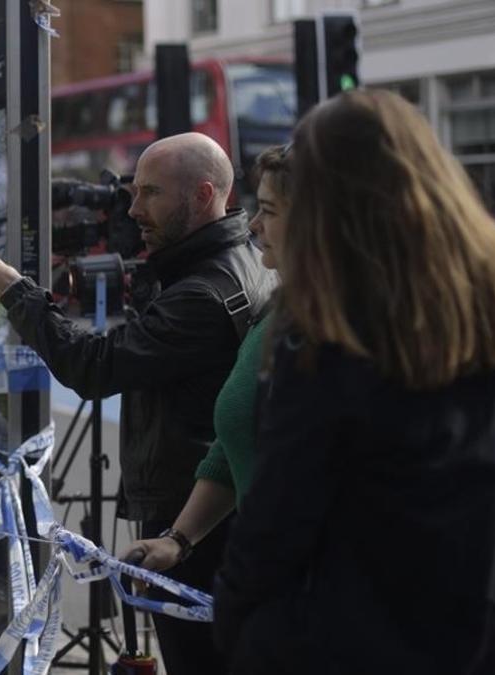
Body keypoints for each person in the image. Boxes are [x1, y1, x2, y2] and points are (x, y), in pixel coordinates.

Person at [211, 89, 495, 674]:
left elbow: (276, 524)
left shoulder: (326, 333)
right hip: (472, 642)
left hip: (350, 645)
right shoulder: (489, 311)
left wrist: (240, 626)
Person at [0, 132, 276, 675]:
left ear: (204, 194)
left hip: (190, 517)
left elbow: (94, 366)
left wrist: (14, 292)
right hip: (207, 509)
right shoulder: (240, 261)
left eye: (150, 193)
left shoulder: (198, 294)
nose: (134, 208)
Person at [123, 144, 289, 574]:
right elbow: (234, 439)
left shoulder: (342, 333)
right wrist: (179, 539)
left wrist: (16, 294)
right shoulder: (282, 309)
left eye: (268, 210)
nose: (253, 223)